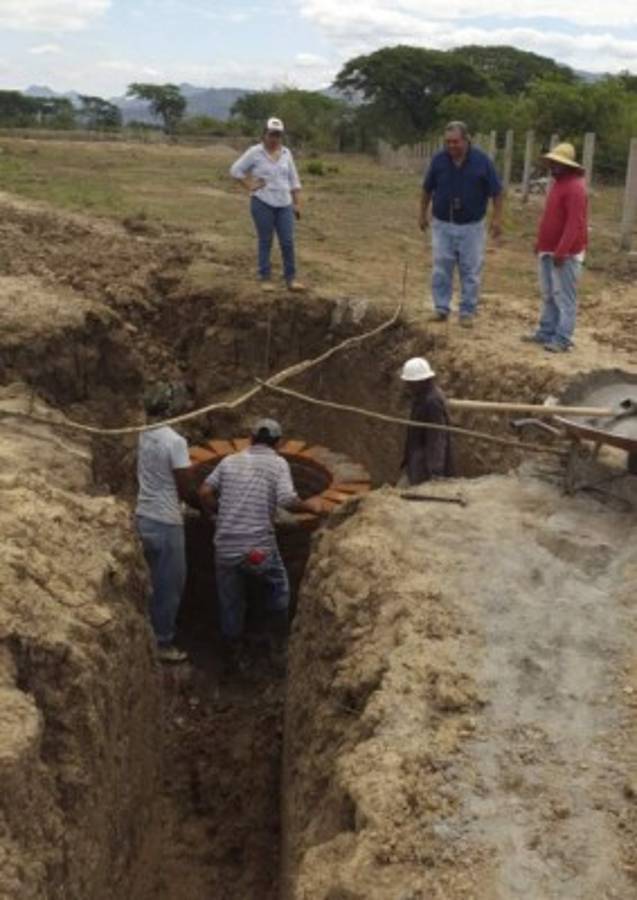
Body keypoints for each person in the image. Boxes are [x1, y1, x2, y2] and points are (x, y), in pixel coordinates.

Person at [198, 418, 323, 664]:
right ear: (277, 444)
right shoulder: (277, 464)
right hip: (258, 551)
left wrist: (215, 512)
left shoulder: (229, 460)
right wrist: (312, 505)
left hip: (225, 548)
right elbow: (287, 499)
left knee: (230, 600)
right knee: (279, 587)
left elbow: (203, 492)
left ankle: (232, 652)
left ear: (251, 438)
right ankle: (276, 642)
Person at [420, 121, 503, 328]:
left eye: (455, 142)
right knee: (441, 267)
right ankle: (441, 308)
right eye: (448, 142)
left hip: (472, 226)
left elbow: (497, 192)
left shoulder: (482, 162)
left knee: (471, 270)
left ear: (466, 140)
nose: (451, 146)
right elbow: (427, 189)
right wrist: (422, 213)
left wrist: (497, 218)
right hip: (442, 224)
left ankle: (467, 311)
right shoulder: (439, 160)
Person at [135, 383, 192, 664]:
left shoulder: (143, 434)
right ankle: (162, 642)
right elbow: (186, 486)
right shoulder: (175, 442)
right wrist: (206, 507)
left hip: (143, 517)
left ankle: (144, 637)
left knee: (150, 582)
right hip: (167, 522)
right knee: (170, 585)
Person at [521, 142, 588, 353]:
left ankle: (563, 338)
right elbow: (550, 217)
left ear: (568, 166)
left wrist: (562, 250)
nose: (553, 166)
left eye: (558, 163)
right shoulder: (558, 184)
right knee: (549, 294)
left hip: (565, 253)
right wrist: (540, 242)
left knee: (564, 297)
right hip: (549, 249)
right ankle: (546, 331)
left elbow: (574, 223)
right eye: (552, 162)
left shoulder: (576, 187)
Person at [230, 117, 304, 293]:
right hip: (262, 202)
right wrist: (250, 186)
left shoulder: (286, 153)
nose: (275, 139)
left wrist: (297, 203)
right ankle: (265, 277)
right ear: (264, 134)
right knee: (266, 240)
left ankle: (290, 279)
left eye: (278, 135)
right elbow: (235, 170)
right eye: (272, 134)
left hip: (284, 203)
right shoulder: (255, 152)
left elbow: (294, 180)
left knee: (287, 241)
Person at [398, 357, 454, 486]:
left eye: (410, 383)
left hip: (425, 468)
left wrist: (435, 472)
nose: (408, 386)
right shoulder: (421, 397)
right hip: (416, 461)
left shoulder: (432, 402)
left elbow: (437, 438)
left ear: (420, 381)